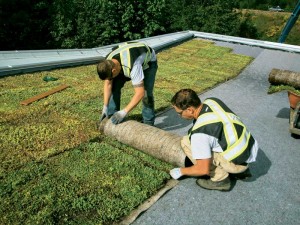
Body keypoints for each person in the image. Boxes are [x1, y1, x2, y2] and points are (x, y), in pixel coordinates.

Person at [169, 89, 258, 191]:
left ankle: (220, 179)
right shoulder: (212, 101)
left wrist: (181, 171)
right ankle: (241, 172)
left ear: (190, 110)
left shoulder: (200, 133)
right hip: (248, 151)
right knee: (213, 139)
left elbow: (202, 169)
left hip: (237, 163)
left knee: (186, 142)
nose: (179, 116)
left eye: (179, 113)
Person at [97, 42, 158, 125]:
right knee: (114, 86)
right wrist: (105, 107)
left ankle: (148, 123)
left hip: (148, 64)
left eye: (110, 77)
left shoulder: (134, 66)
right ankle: (112, 116)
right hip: (123, 64)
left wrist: (124, 112)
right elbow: (108, 84)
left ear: (114, 71)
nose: (110, 79)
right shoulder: (109, 61)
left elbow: (140, 93)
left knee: (147, 94)